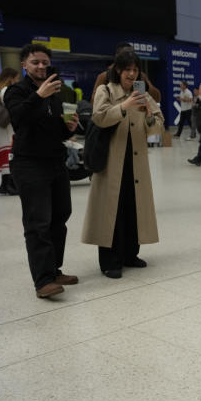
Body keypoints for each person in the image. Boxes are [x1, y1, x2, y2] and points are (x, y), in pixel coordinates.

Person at [4, 43, 80, 299]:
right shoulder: (16, 91)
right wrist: (39, 95)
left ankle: (54, 269)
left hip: (55, 162)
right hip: (29, 163)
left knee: (60, 216)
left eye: (44, 63)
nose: (40, 66)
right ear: (24, 65)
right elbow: (18, 118)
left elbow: (55, 130)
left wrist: (69, 128)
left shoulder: (55, 93)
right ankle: (43, 280)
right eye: (35, 62)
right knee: (38, 222)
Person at [83, 50, 161, 278]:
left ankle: (130, 254)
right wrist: (124, 106)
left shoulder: (143, 95)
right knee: (111, 210)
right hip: (110, 161)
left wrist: (148, 114)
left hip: (136, 161)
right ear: (118, 70)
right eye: (127, 69)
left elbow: (157, 125)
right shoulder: (105, 90)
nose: (131, 73)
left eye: (135, 69)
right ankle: (109, 260)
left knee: (133, 208)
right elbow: (99, 117)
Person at [92, 42, 162, 103]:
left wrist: (146, 86)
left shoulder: (139, 75)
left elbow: (156, 99)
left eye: (132, 55)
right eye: (127, 69)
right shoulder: (106, 76)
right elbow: (95, 103)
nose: (131, 74)